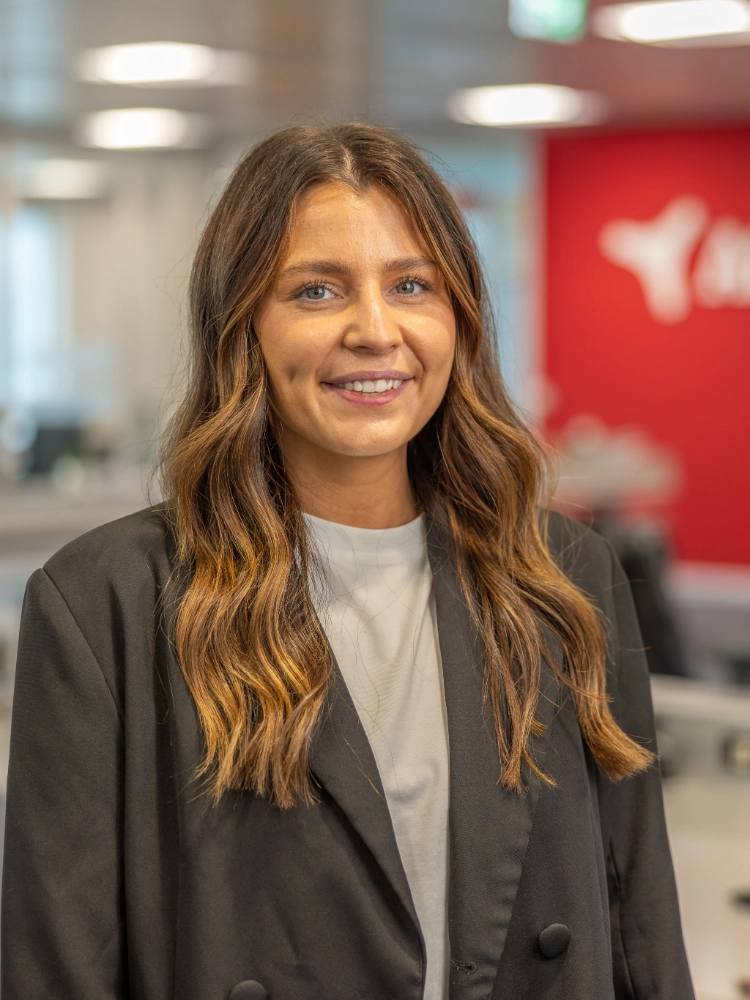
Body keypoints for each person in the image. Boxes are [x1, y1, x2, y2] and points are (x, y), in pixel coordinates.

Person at [1, 123, 694, 1000]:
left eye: (412, 284)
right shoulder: (107, 604)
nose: (375, 330)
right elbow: (56, 969)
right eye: (317, 290)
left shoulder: (561, 576)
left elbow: (641, 927)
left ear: (460, 317)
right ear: (242, 325)